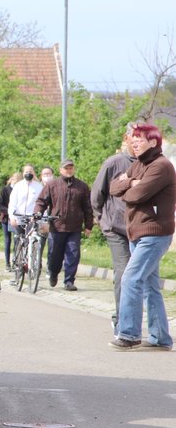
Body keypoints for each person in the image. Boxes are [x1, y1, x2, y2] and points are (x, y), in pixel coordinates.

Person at [108, 123, 176, 350]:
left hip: (154, 233)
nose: (134, 142)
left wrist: (129, 186)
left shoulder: (161, 166)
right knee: (149, 285)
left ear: (154, 142)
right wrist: (130, 182)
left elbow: (136, 195)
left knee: (131, 278)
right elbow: (113, 187)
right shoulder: (138, 164)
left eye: (139, 139)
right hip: (136, 232)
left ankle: (129, 334)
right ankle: (160, 338)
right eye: (132, 139)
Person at [91, 124, 136, 332]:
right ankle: (122, 321)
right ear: (126, 138)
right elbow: (97, 194)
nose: (137, 142)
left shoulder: (149, 164)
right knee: (124, 271)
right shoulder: (113, 163)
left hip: (140, 229)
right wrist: (101, 219)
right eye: (133, 137)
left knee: (140, 276)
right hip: (116, 228)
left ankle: (135, 321)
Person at [34, 158, 93, 291]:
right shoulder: (52, 185)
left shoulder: (82, 187)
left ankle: (69, 281)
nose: (69, 170)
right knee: (54, 254)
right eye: (66, 168)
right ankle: (53, 273)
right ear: (61, 170)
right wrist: (38, 213)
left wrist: (88, 225)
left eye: (71, 168)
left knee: (73, 253)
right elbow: (41, 201)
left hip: (74, 227)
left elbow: (87, 207)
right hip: (56, 227)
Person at [0, 171, 22, 269]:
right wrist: (9, 212)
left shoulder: (21, 190)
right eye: (15, 179)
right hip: (6, 218)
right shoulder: (5, 190)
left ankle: (15, 260)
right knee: (7, 240)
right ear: (11, 179)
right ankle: (7, 263)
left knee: (17, 239)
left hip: (17, 219)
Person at [8, 164, 43, 232]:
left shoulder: (39, 187)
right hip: (19, 219)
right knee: (19, 241)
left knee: (32, 241)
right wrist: (12, 217)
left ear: (33, 173)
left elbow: (42, 203)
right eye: (26, 172)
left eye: (30, 172)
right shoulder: (18, 186)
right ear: (23, 173)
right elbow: (12, 203)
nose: (28, 173)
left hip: (33, 220)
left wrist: (42, 221)